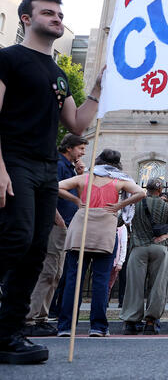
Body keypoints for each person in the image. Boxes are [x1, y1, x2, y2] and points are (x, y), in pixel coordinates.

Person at [0, 0, 103, 364]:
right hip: (14, 160)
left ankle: (9, 333)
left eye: (60, 14)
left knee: (34, 253)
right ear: (27, 19)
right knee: (15, 238)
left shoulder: (57, 73)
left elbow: (76, 124)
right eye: (48, 13)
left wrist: (97, 89)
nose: (57, 18)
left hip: (45, 169)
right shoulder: (8, 59)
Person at [57, 149, 144, 337]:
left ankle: (65, 325)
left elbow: (57, 186)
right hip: (104, 230)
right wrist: (118, 206)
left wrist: (75, 199)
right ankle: (98, 326)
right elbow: (141, 192)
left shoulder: (84, 179)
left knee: (73, 279)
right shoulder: (119, 181)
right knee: (101, 281)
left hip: (81, 230)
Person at [22, 133, 87, 337]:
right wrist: (57, 218)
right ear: (69, 148)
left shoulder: (70, 167)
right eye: (80, 149)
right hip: (56, 224)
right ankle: (29, 319)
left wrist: (80, 174)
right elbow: (50, 191)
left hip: (66, 224)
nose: (82, 153)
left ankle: (41, 317)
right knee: (48, 271)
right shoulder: (58, 165)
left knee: (56, 274)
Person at [120, 178, 168, 335]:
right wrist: (166, 234)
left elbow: (120, 221)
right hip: (159, 248)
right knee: (158, 286)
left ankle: (130, 322)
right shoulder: (166, 206)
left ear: (146, 189)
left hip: (138, 248)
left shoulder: (135, 204)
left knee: (134, 285)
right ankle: (151, 322)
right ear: (160, 190)